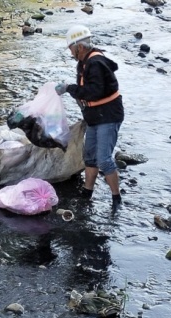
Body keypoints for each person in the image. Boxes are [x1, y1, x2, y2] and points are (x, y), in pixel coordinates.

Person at [55, 25, 124, 206]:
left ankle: (116, 198)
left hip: (108, 116)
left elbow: (94, 92)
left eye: (71, 48)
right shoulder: (84, 62)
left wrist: (69, 88)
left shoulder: (95, 63)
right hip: (95, 116)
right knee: (90, 157)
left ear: (79, 46)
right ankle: (87, 192)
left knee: (103, 158)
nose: (70, 53)